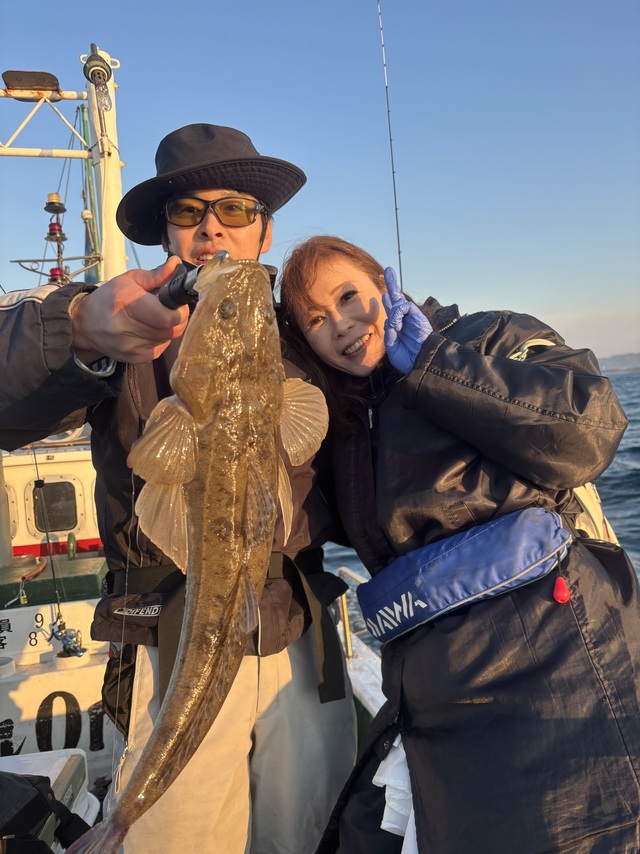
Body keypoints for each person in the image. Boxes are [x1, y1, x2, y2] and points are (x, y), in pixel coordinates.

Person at [0, 127, 357, 854]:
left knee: (312, 834)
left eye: (235, 209)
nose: (212, 229)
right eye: (189, 212)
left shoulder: (313, 335)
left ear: (264, 229)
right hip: (169, 629)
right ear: (166, 234)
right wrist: (79, 332)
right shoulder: (115, 327)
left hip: (298, 635)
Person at [278, 235, 640, 854]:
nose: (340, 324)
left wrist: (433, 362)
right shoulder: (342, 425)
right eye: (315, 319)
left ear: (384, 283)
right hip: (428, 682)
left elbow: (590, 429)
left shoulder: (486, 335)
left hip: (549, 651)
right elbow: (292, 523)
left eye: (348, 296)